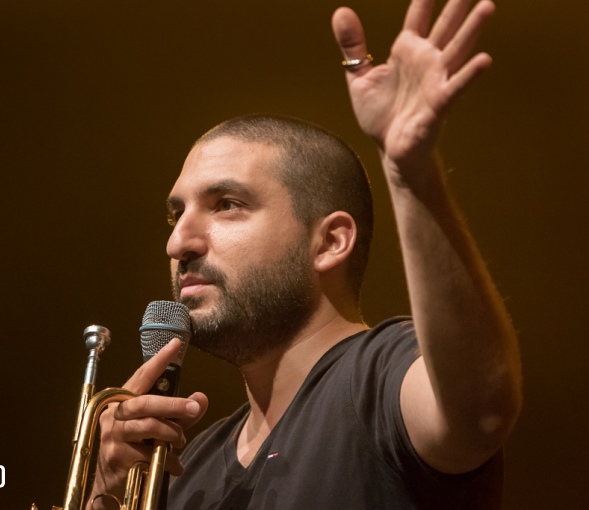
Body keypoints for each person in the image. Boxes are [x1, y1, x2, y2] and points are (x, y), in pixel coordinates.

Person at [88, 0, 522, 508]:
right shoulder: (186, 469)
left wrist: (412, 173)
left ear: (331, 242)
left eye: (226, 205)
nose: (178, 242)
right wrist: (103, 493)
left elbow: (480, 410)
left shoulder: (381, 378)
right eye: (175, 215)